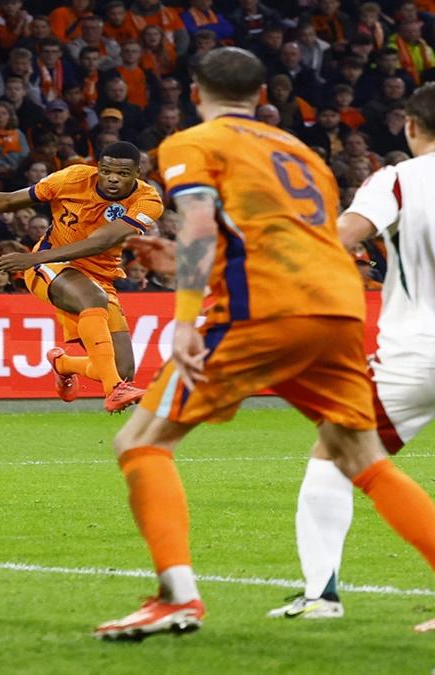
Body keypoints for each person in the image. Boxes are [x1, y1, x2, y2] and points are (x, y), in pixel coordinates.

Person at [98, 47, 435, 641]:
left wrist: (183, 316)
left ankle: (176, 596)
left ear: (196, 92)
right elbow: (287, 239)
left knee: (141, 440)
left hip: (262, 310)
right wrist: (185, 259)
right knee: (362, 460)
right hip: (338, 308)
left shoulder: (193, 142)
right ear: (262, 98)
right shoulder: (303, 153)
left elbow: (201, 221)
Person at [262, 84, 435, 625]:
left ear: (410, 125)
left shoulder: (400, 179)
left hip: (419, 355)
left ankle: (321, 595)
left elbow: (345, 236)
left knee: (335, 456)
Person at [0, 141, 161, 413]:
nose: (113, 178)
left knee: (121, 369)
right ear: (98, 168)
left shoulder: (148, 201)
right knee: (94, 301)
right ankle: (115, 390)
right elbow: (9, 200)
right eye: (106, 171)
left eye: (123, 173)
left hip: (89, 273)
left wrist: (32, 258)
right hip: (52, 264)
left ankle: (64, 364)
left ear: (138, 173)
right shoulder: (71, 178)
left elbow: (102, 241)